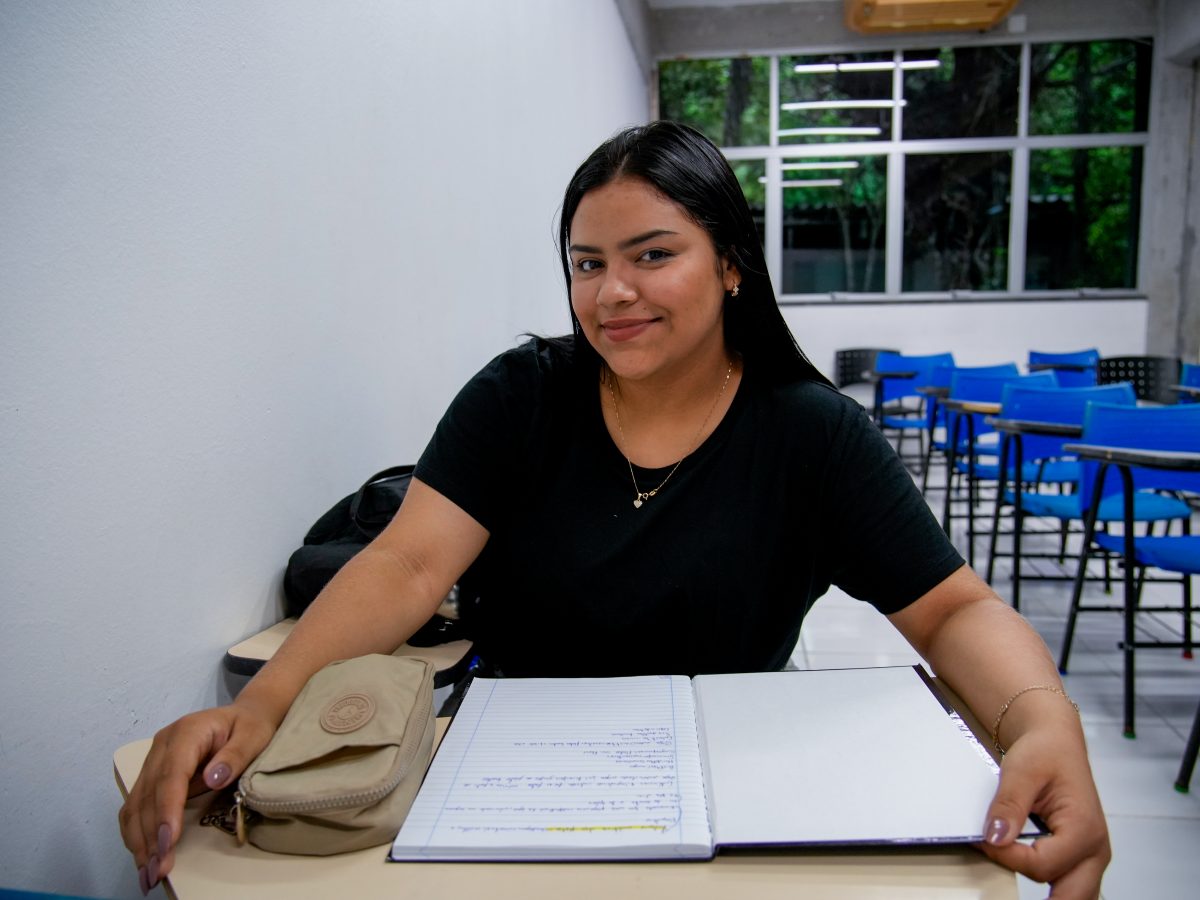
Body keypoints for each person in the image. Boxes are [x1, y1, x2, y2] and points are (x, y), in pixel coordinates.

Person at [119, 121, 1110, 897]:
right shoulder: (521, 398)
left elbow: (952, 610)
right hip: (515, 780)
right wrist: (260, 706)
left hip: (737, 784)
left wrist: (1040, 721)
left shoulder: (810, 434)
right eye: (588, 263)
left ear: (731, 264)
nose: (612, 293)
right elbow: (406, 565)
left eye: (651, 254)